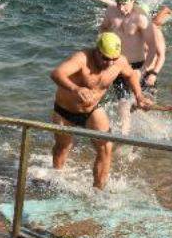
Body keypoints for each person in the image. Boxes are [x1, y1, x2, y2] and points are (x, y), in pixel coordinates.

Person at [51, 32, 152, 188]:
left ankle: (98, 190)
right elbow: (57, 73)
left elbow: (131, 75)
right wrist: (75, 89)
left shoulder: (119, 62)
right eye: (105, 58)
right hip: (65, 111)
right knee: (62, 147)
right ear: (97, 50)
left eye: (114, 59)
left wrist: (139, 96)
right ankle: (55, 181)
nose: (110, 63)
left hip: (91, 110)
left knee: (106, 148)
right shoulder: (82, 58)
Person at [99, 0, 161, 134]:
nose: (121, 8)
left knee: (145, 105)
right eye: (118, 3)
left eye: (125, 4)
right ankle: (124, 135)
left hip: (139, 65)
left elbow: (153, 48)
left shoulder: (141, 17)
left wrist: (144, 70)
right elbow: (102, 29)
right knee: (123, 102)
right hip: (120, 64)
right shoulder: (110, 12)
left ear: (133, 0)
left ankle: (153, 130)